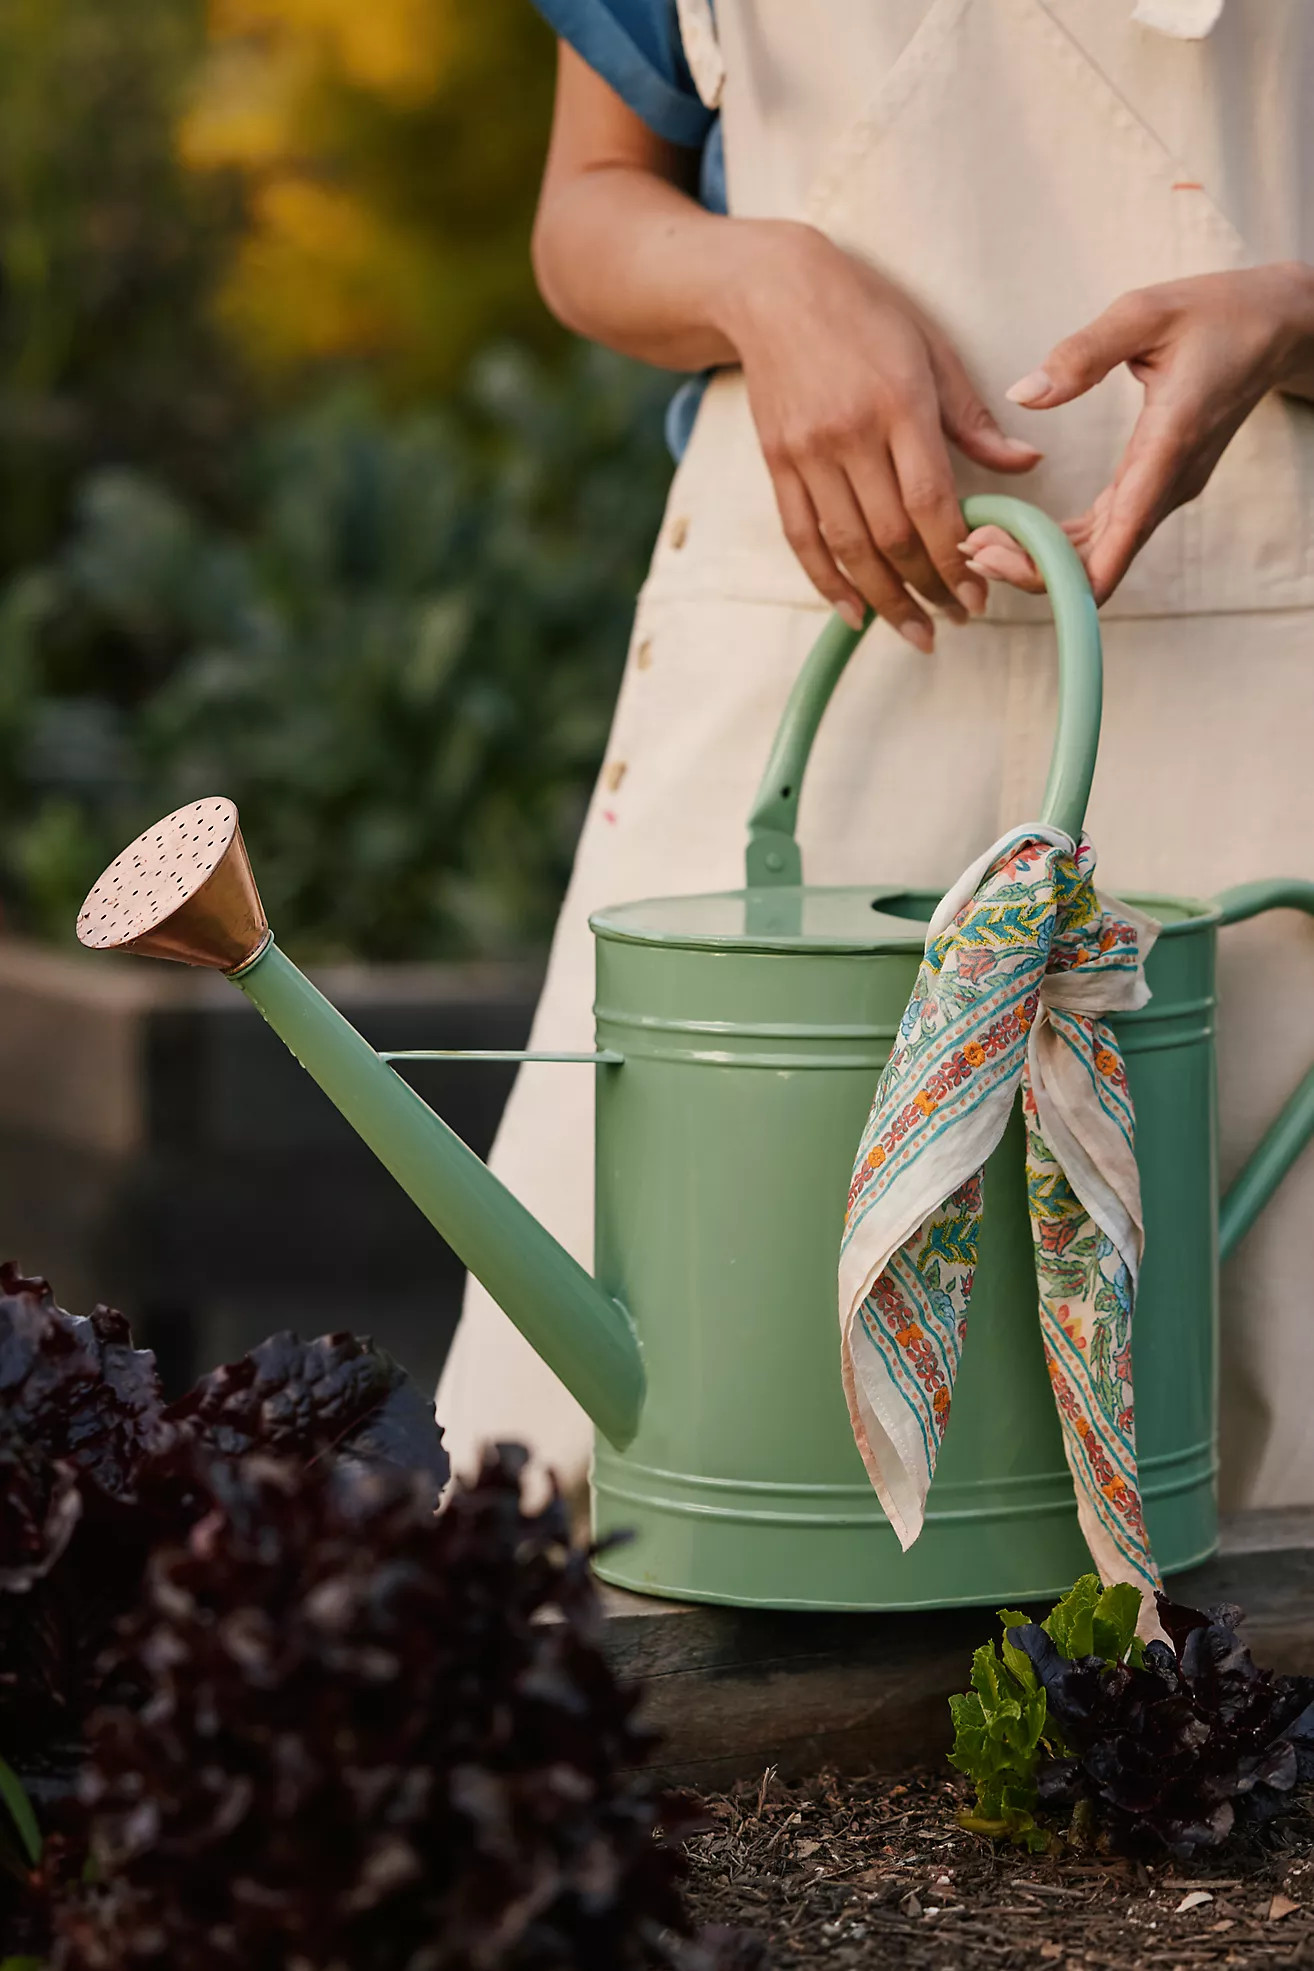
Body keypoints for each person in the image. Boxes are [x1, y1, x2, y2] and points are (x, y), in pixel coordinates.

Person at [438, 0, 1314, 1516]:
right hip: (802, 643)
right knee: (631, 1462)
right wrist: (759, 278)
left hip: (1260, 663)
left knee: (1263, 1430)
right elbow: (588, 207)